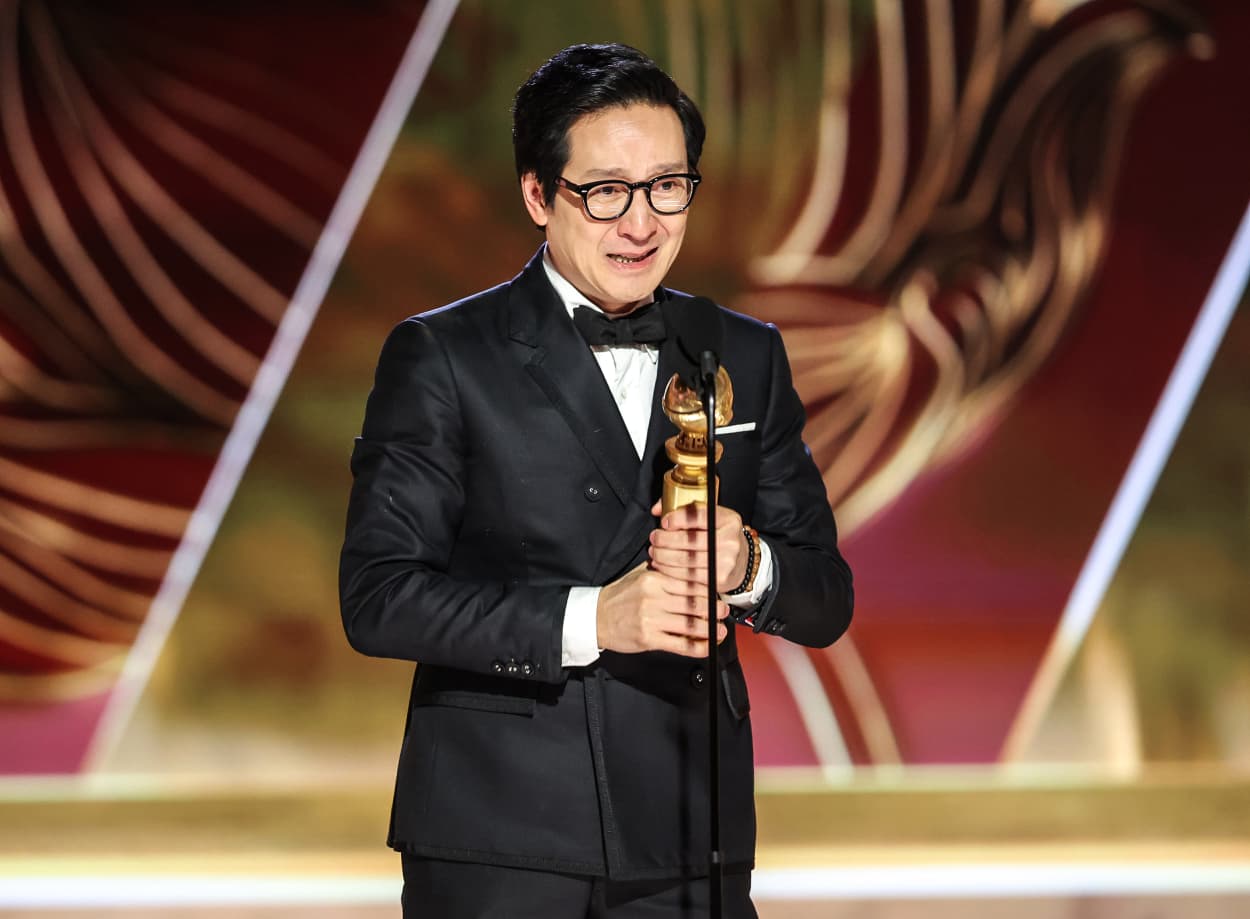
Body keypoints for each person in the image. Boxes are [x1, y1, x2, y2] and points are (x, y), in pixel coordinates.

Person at [340, 42, 853, 918]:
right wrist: (593, 617)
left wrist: (749, 563)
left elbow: (825, 596)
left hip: (693, 832)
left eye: (667, 186)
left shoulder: (745, 353)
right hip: (501, 835)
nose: (642, 223)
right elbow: (379, 596)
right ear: (539, 195)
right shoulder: (443, 355)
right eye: (606, 191)